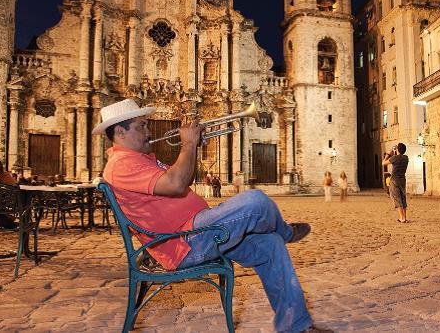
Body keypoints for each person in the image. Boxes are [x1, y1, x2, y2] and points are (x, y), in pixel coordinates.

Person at [93, 99, 327, 333]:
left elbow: (184, 183)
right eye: (141, 126)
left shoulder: (138, 159)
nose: (148, 131)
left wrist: (192, 149)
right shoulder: (122, 165)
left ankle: (295, 327)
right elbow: (175, 184)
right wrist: (188, 145)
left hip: (201, 231)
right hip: (186, 242)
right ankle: (285, 231)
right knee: (256, 201)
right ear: (120, 132)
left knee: (271, 245)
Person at [382, 143, 409, 223]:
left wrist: (388, 154)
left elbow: (383, 163)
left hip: (394, 180)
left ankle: (402, 218)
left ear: (397, 149)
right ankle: (405, 217)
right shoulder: (406, 158)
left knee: (397, 198)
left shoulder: (394, 158)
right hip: (402, 179)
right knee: (403, 198)